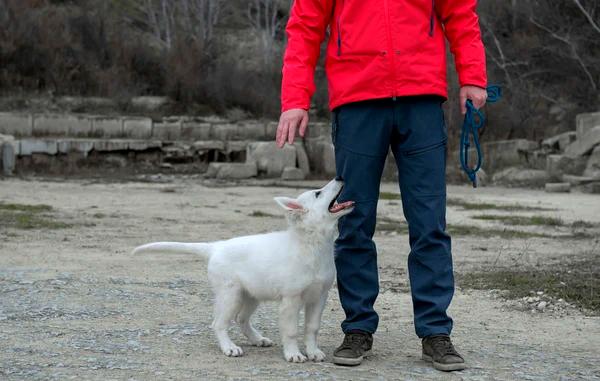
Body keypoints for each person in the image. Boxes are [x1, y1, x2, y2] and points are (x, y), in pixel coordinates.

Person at [276, 0, 488, 372]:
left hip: (420, 99)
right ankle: (357, 327)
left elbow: (460, 14)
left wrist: (472, 76)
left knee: (429, 224)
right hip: (357, 99)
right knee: (354, 222)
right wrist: (295, 99)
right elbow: (305, 27)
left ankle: (435, 332)